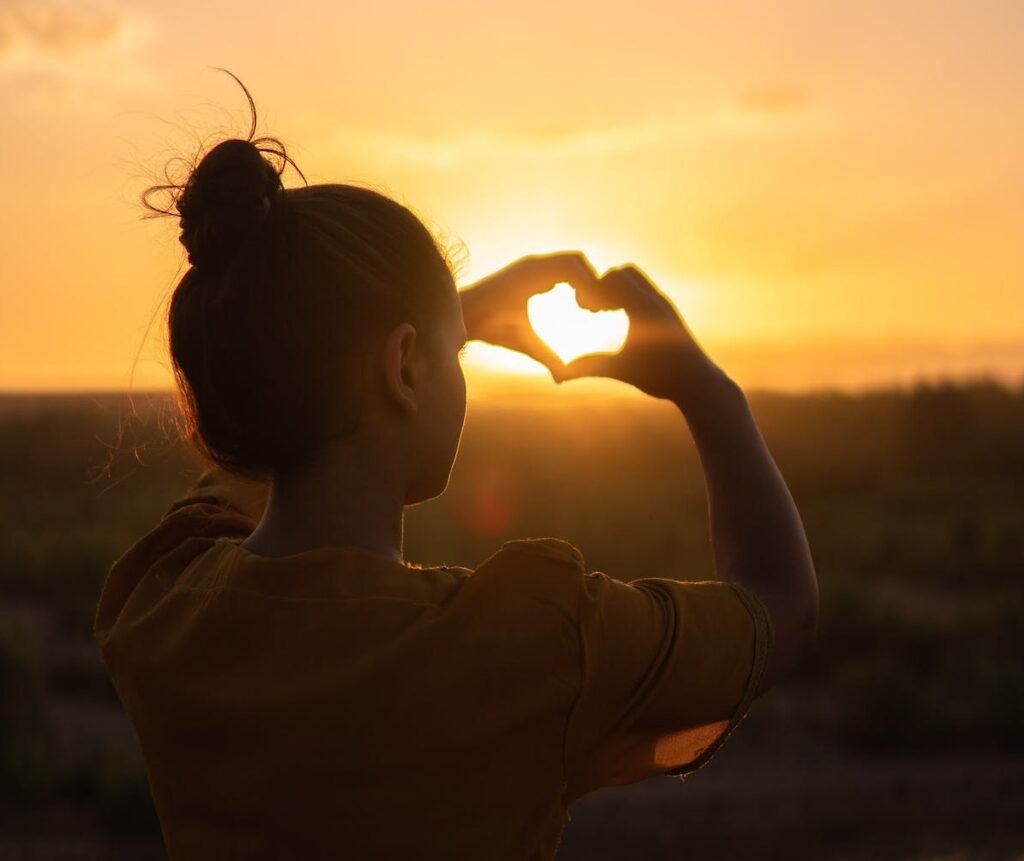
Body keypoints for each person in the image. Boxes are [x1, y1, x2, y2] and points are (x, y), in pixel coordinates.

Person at [94, 83, 818, 861]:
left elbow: (276, 429)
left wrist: (438, 319)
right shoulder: (531, 646)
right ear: (404, 365)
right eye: (448, 349)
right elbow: (782, 604)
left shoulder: (158, 607)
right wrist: (708, 388)